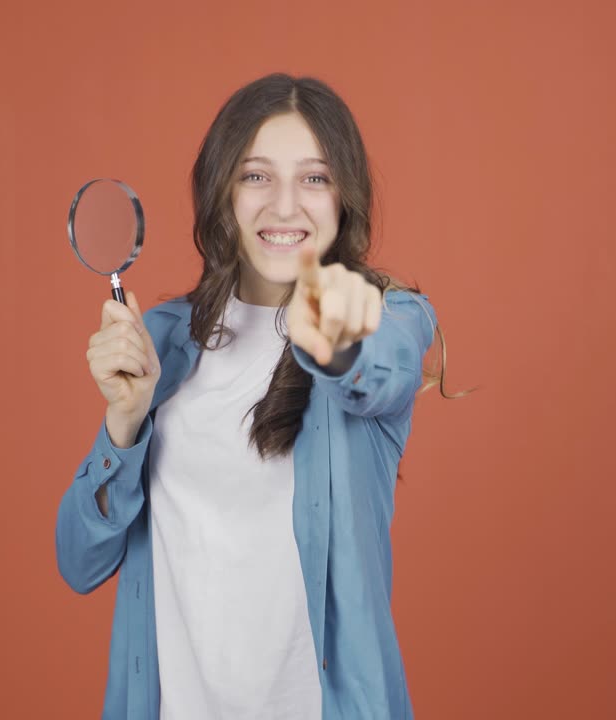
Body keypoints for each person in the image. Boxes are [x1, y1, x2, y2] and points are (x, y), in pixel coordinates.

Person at [55, 73, 453, 720]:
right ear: (223, 193)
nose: (286, 206)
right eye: (257, 176)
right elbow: (80, 562)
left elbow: (383, 371)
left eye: (315, 178)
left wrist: (338, 342)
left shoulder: (390, 317)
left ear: (344, 197)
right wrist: (123, 423)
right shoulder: (165, 340)